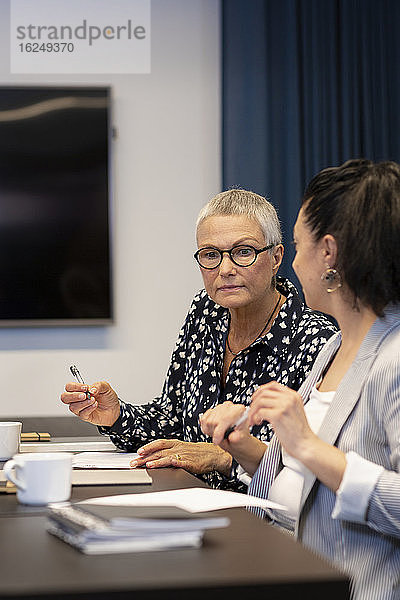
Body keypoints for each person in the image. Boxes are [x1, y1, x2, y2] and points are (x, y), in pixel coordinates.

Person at [200, 160, 400, 598]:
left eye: (295, 246)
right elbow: (306, 479)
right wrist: (246, 446)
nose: (291, 263)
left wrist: (307, 442)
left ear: (327, 254)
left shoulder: (394, 358)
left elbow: (325, 462)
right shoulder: (335, 348)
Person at [61, 189, 336, 491]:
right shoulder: (205, 311)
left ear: (275, 257)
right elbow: (172, 418)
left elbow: (311, 469)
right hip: (188, 499)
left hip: (264, 519)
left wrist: (223, 457)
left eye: (243, 252)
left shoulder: (316, 338)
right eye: (210, 255)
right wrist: (116, 416)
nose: (226, 269)